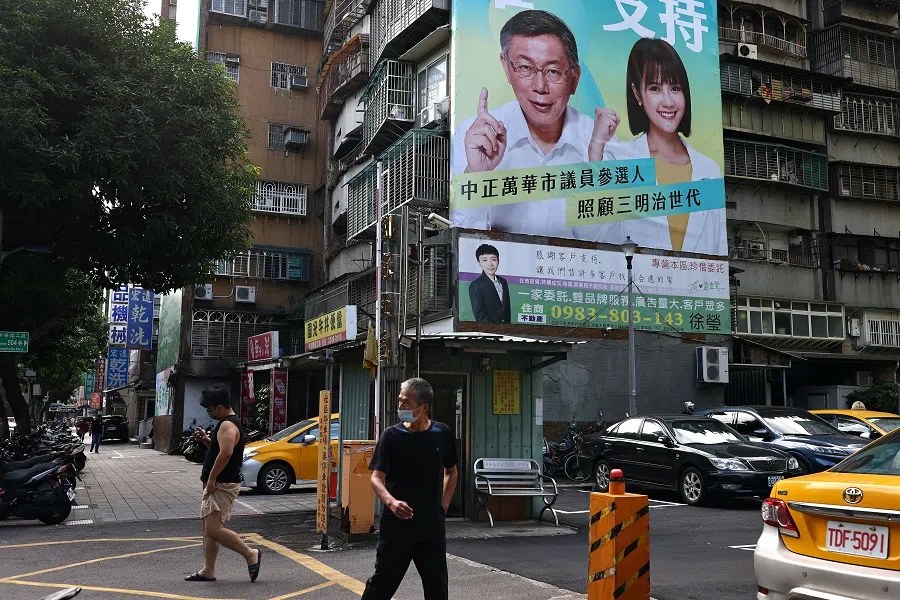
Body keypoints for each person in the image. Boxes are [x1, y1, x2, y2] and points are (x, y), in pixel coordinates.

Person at [450, 9, 608, 238]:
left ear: (574, 78)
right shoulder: (473, 139)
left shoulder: (603, 145)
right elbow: (465, 250)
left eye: (553, 71)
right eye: (525, 68)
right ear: (506, 67)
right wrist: (476, 178)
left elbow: (615, 248)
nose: (540, 87)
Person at [588, 38, 726, 255]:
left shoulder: (709, 171)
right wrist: (596, 150)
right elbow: (595, 239)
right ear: (637, 94)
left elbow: (719, 251)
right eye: (655, 88)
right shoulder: (620, 161)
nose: (668, 101)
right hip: (636, 288)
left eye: (675, 88)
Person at [362, 378, 459, 600]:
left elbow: (451, 472)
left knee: (437, 586)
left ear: (424, 406)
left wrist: (442, 506)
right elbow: (376, 478)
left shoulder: (441, 433)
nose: (401, 407)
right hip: (396, 527)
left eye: (406, 402)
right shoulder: (391, 436)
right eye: (399, 401)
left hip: (430, 528)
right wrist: (392, 502)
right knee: (382, 583)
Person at [185, 385, 262, 583]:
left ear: (219, 407)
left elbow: (227, 453)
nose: (208, 412)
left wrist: (211, 479)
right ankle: (208, 570)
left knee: (213, 529)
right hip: (218, 482)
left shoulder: (228, 425)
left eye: (209, 409)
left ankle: (250, 553)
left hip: (221, 483)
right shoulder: (227, 424)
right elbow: (222, 449)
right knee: (208, 528)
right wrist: (206, 441)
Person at [468, 243, 511, 323]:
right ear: (479, 263)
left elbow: (507, 311)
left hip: (506, 331)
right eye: (485, 260)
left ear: (498, 261)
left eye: (493, 259)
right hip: (489, 332)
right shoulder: (476, 285)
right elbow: (480, 315)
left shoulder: (503, 282)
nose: (490, 264)